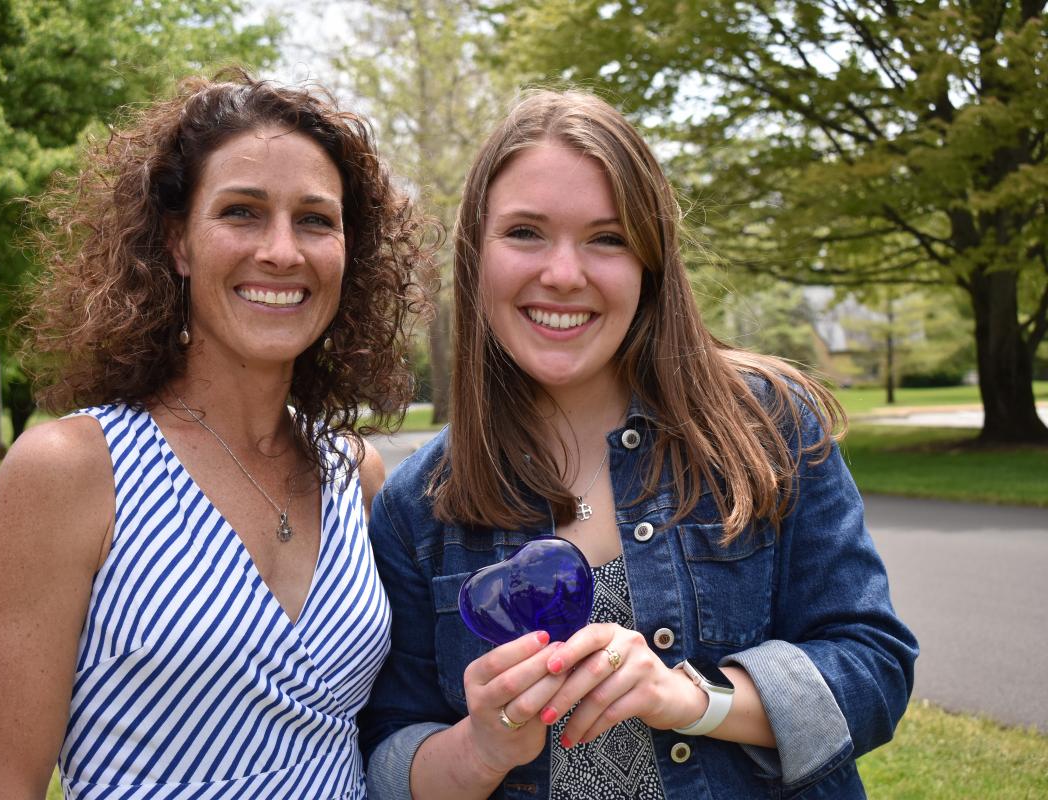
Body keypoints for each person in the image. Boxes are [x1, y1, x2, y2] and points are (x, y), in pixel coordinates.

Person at [358, 90, 918, 799]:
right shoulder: (419, 505)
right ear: (477, 255)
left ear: (650, 262)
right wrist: (481, 746)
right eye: (526, 232)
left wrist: (693, 698)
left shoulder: (768, 426)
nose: (563, 273)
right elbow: (384, 750)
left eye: (608, 237)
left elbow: (875, 668)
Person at [0, 69, 433, 799]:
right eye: (242, 212)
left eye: (315, 219)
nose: (281, 251)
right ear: (177, 243)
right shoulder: (73, 471)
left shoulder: (354, 472)